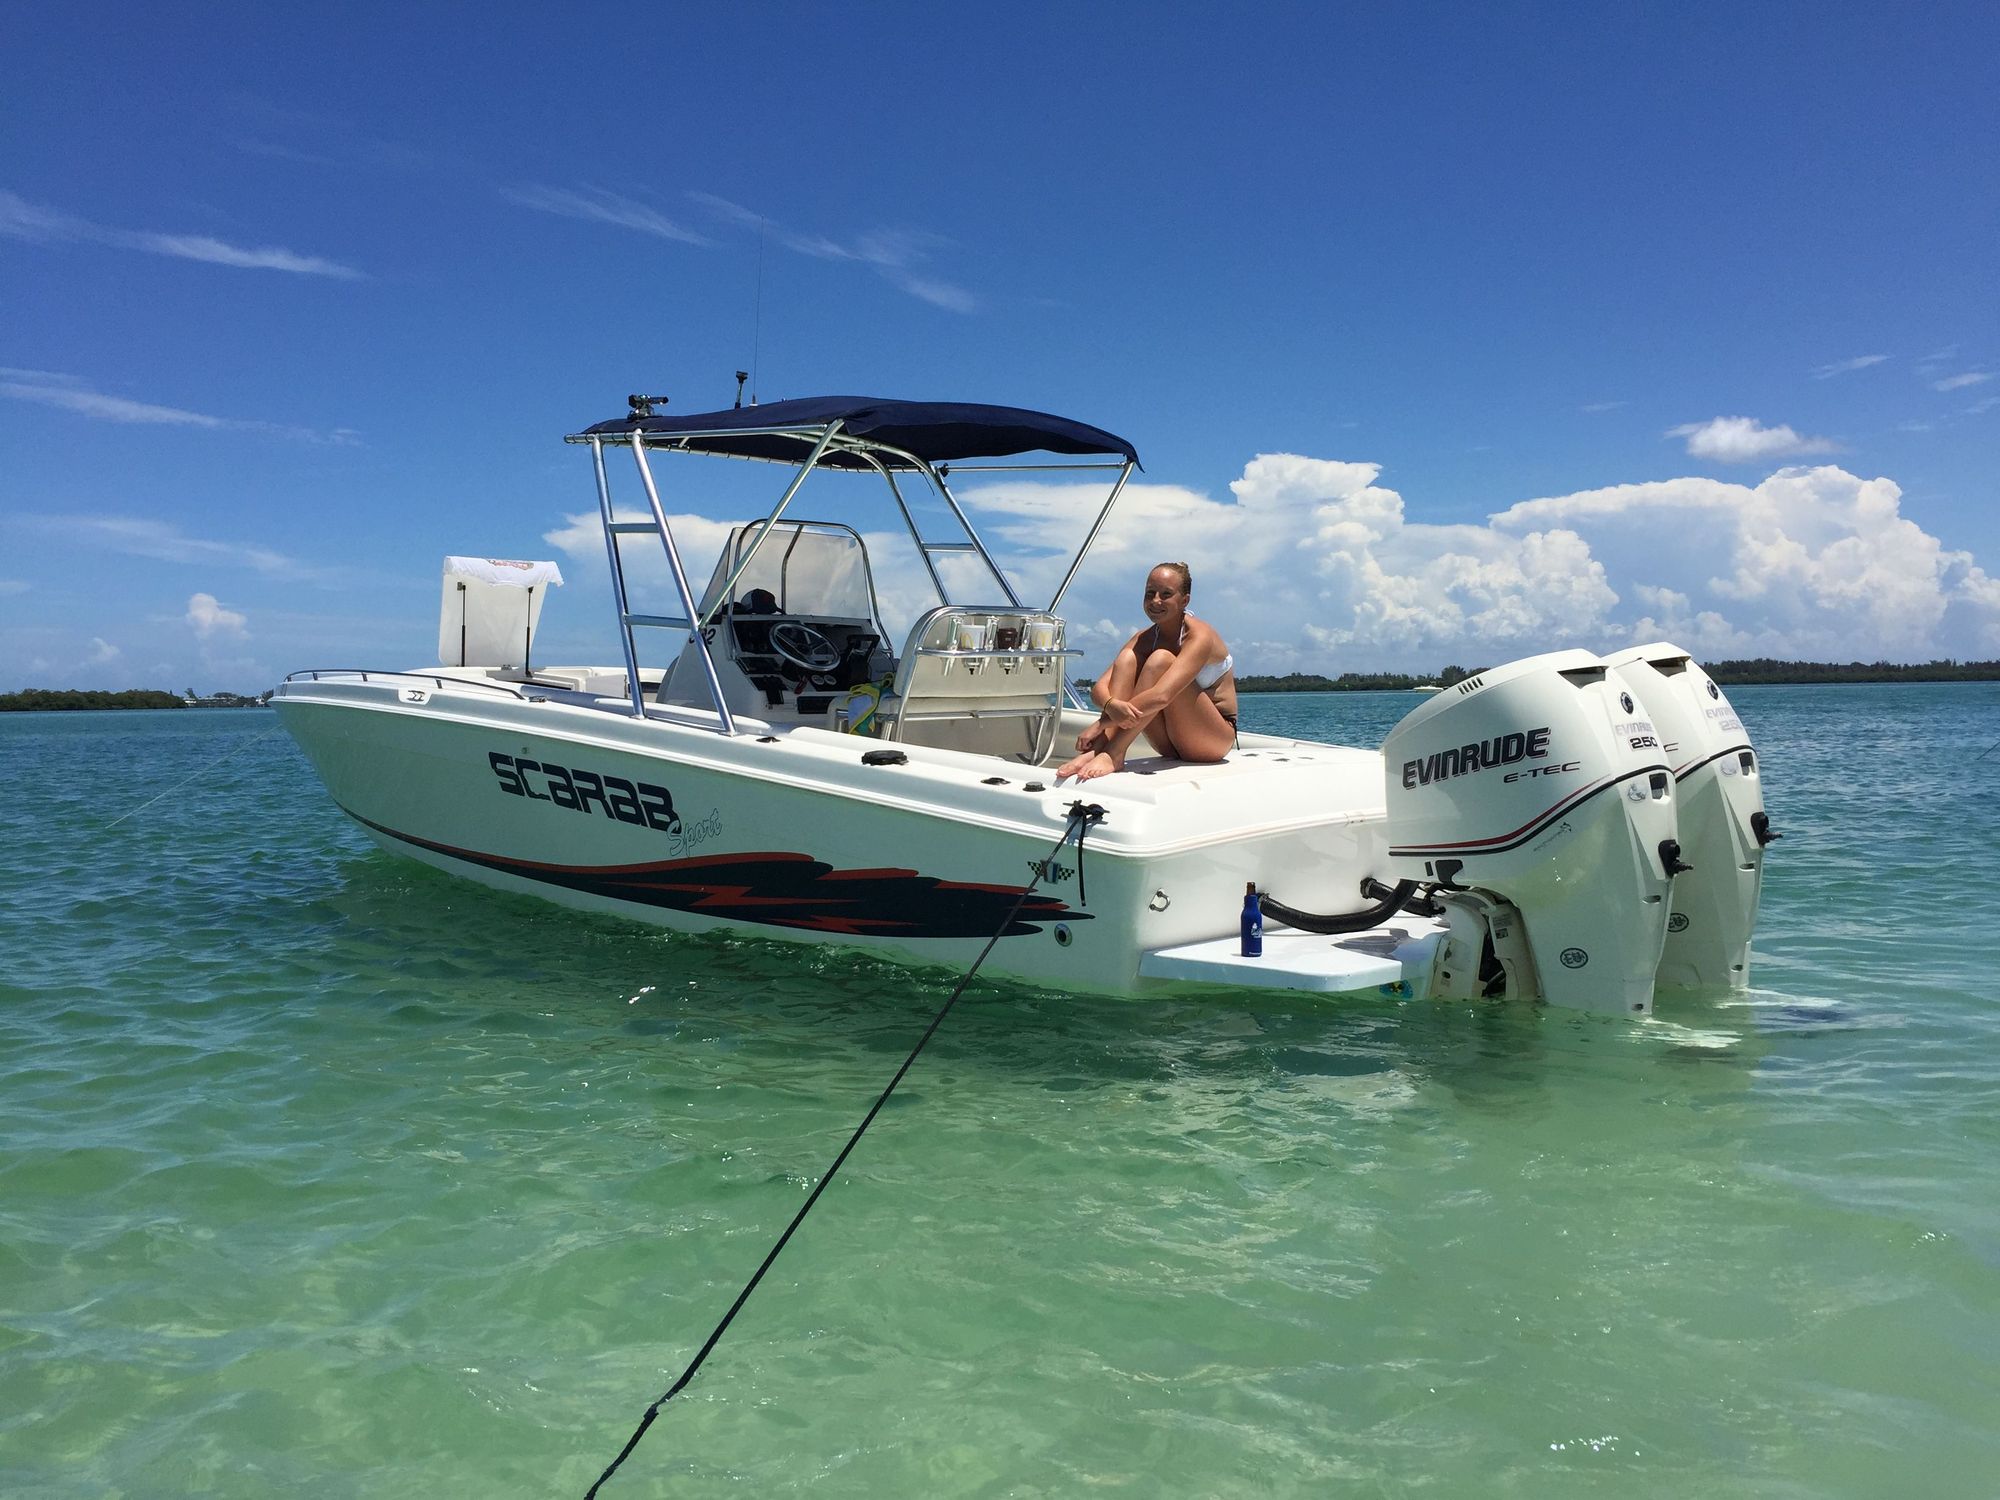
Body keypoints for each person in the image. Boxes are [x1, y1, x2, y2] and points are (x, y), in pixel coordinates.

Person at [1056, 562, 1237, 782]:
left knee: (1160, 661)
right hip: (1169, 742)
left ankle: (1114, 752)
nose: (1155, 601)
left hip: (1212, 740)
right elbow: (1099, 689)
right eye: (1150, 593)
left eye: (1166, 594)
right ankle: (1100, 748)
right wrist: (1111, 706)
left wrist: (1102, 723)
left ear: (1184, 600)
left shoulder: (1199, 636)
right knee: (1126, 659)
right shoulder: (1145, 638)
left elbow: (1163, 695)